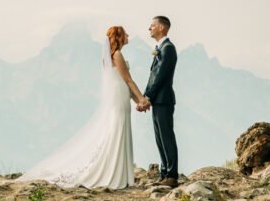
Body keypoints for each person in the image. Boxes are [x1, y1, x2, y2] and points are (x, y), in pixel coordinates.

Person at [17, 25, 149, 189]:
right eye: (125, 33)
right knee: (118, 128)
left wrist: (138, 102)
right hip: (119, 95)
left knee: (118, 128)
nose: (128, 35)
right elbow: (128, 80)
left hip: (120, 94)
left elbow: (125, 83)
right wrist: (143, 99)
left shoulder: (111, 56)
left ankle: (119, 171)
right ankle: (114, 172)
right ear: (119, 37)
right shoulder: (117, 54)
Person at [139, 15, 178, 187]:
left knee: (167, 137)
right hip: (157, 101)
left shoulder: (168, 48)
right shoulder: (160, 48)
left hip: (164, 100)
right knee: (159, 138)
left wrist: (148, 98)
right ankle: (164, 175)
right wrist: (146, 97)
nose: (150, 28)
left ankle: (171, 175)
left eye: (152, 25)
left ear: (161, 28)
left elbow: (160, 76)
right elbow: (152, 77)